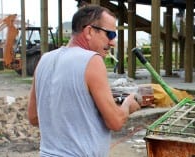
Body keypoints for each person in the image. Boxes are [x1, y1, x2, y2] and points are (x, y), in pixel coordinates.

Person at [27, 5, 141, 156]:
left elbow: (34, 118)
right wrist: (128, 105)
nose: (112, 42)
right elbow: (115, 122)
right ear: (89, 31)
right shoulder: (92, 60)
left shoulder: (45, 60)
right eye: (110, 34)